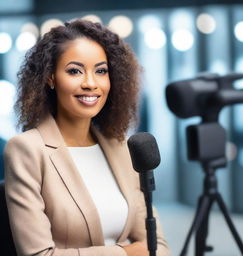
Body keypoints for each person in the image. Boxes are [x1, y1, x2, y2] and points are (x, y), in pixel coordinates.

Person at [4, 19, 170, 256]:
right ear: (51, 78)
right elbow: (38, 254)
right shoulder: (26, 149)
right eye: (74, 71)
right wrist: (124, 253)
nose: (91, 83)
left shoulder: (120, 146)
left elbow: (157, 245)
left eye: (101, 71)